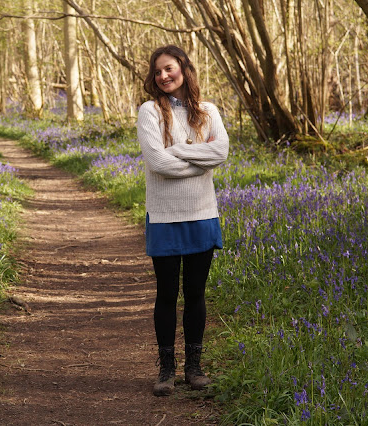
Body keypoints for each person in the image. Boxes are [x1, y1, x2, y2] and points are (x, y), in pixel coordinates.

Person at [137, 45, 229, 396]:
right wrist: (197, 160)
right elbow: (157, 164)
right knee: (166, 293)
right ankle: (166, 370)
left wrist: (176, 150)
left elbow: (220, 151)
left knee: (195, 293)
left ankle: (194, 367)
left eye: (169, 68)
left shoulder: (208, 112)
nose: (163, 76)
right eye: (157, 71)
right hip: (163, 215)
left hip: (202, 213)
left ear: (183, 69)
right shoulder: (149, 112)